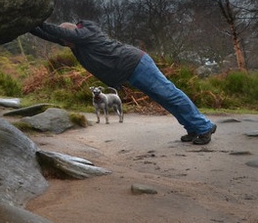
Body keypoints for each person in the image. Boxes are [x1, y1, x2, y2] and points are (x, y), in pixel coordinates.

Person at [31, 20, 217, 145]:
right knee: (164, 99)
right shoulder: (76, 41)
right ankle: (193, 128)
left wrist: (39, 21)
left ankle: (205, 127)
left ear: (72, 34)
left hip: (137, 64)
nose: (63, 43)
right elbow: (51, 35)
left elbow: (57, 32)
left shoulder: (86, 34)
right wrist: (29, 25)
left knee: (170, 93)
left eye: (65, 40)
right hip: (131, 71)